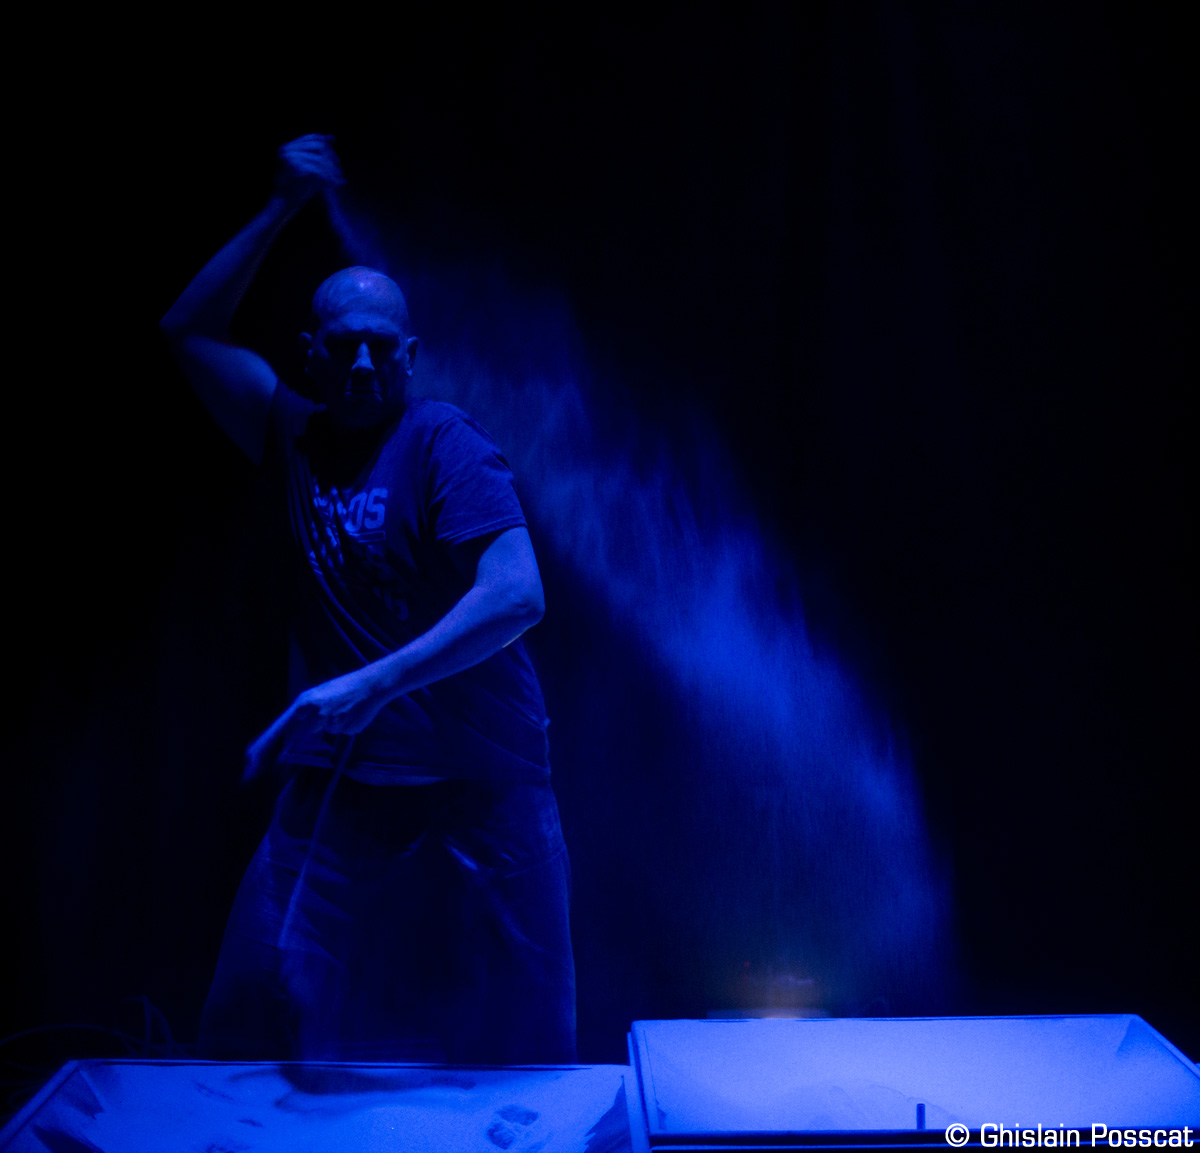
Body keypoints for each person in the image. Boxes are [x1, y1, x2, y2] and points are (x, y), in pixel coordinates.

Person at [160, 134, 576, 1064]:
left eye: (380, 350)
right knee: (242, 1020)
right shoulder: (293, 435)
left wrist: (373, 681)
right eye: (342, 347)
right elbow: (185, 332)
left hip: (484, 783)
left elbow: (518, 594)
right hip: (348, 781)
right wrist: (279, 207)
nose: (359, 366)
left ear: (410, 357)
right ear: (309, 355)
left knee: (534, 1047)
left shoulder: (441, 441)